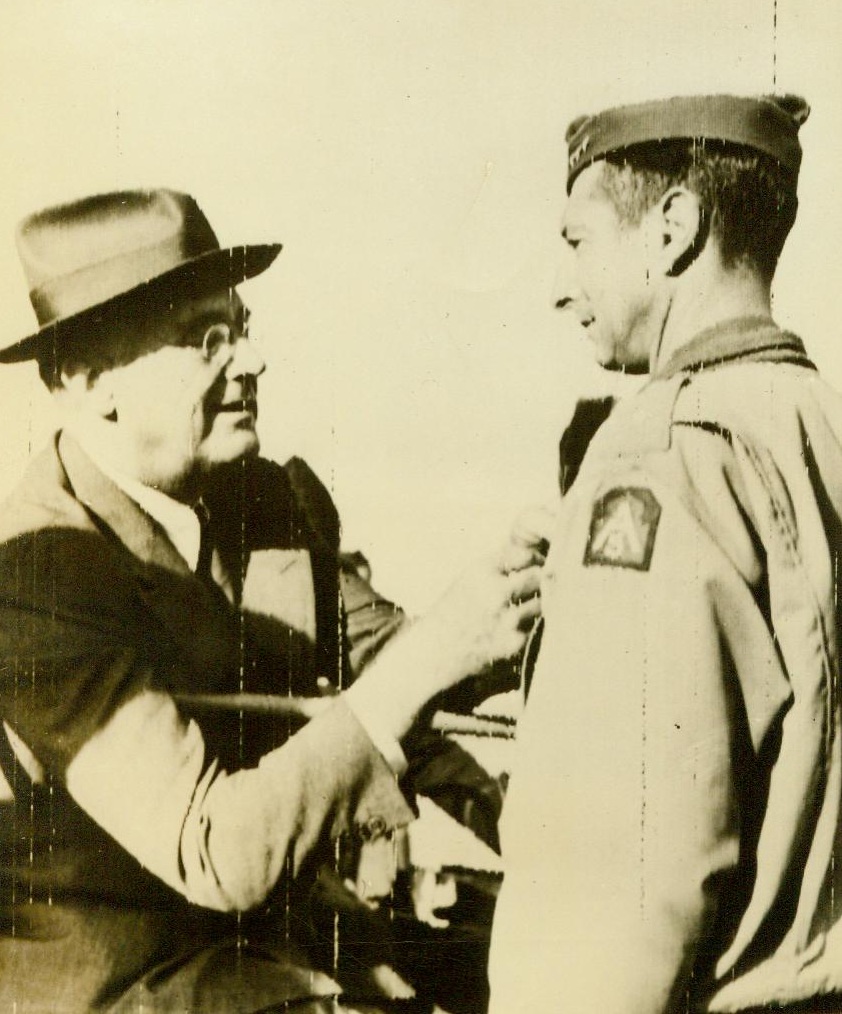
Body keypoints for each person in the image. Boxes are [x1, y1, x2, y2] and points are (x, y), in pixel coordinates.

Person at [0, 189, 543, 1012]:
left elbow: (405, 667)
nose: (249, 362)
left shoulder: (259, 499)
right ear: (86, 380)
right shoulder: (33, 580)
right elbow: (216, 850)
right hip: (135, 981)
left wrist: (532, 597)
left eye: (241, 329)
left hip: (286, 950)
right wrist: (438, 655)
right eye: (203, 340)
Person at [487, 93, 842, 1012]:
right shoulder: (811, 425)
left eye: (579, 241)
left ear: (674, 227)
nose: (564, 283)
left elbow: (627, 886)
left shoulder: (665, 447)